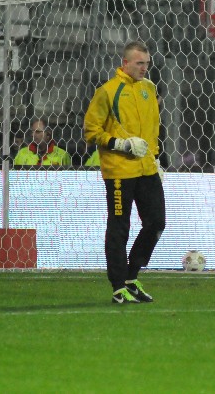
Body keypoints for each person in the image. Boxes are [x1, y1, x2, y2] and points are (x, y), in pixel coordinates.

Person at [83, 40, 165, 304]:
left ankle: (131, 276)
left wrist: (156, 160)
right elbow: (90, 131)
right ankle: (118, 286)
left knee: (156, 222)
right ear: (125, 62)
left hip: (146, 167)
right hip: (120, 169)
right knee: (120, 226)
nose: (144, 68)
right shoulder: (108, 91)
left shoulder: (149, 89)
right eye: (139, 63)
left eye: (147, 64)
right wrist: (121, 144)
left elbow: (152, 129)